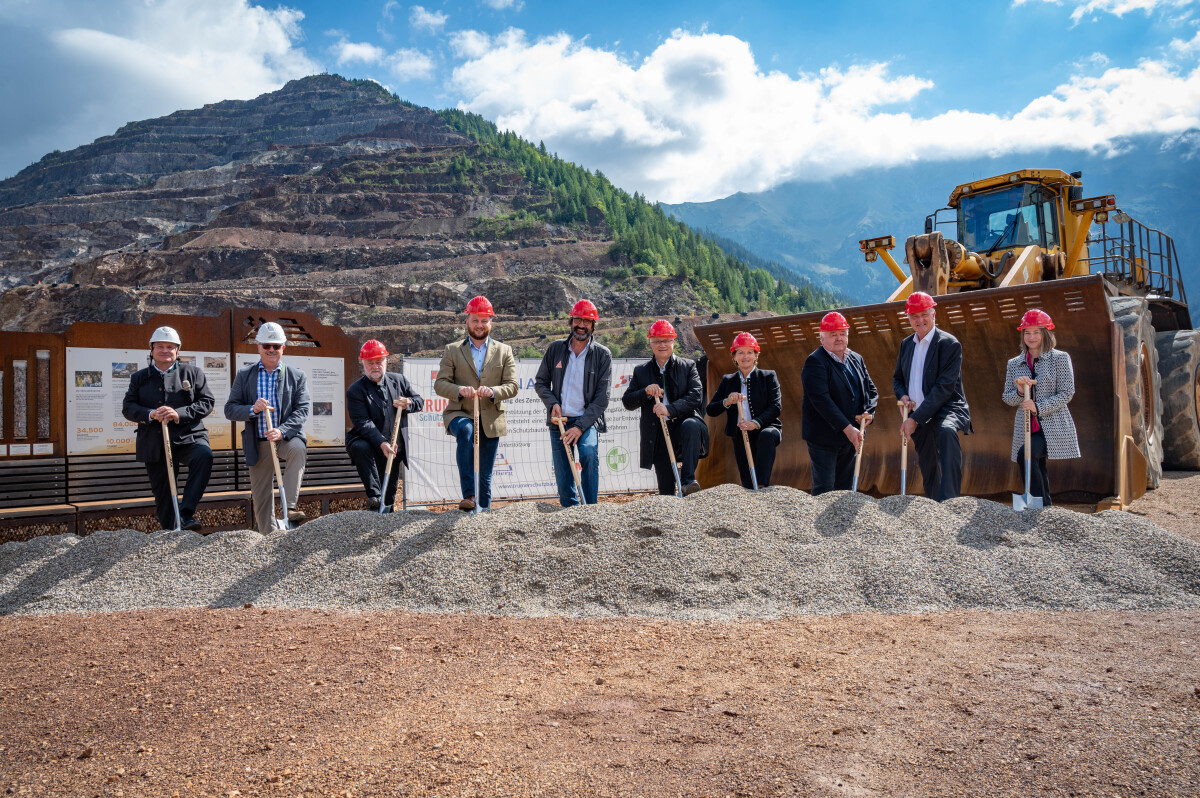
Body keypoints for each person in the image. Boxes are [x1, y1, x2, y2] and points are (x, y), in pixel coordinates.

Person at [121, 325, 215, 531]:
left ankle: (186, 513)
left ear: (177, 351)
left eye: (170, 347)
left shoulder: (193, 373)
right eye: (160, 346)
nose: (165, 350)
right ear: (152, 350)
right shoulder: (139, 378)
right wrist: (150, 414)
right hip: (154, 441)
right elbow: (128, 408)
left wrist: (178, 413)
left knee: (204, 456)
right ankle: (171, 532)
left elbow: (206, 402)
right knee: (163, 492)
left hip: (189, 437)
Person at [434, 296, 519, 511]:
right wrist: (459, 390)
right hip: (460, 413)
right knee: (466, 431)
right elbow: (440, 384)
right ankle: (469, 496)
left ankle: (484, 513)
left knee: (485, 474)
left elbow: (512, 386)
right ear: (467, 322)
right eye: (475, 320)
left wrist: (493, 391)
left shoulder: (504, 351)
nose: (479, 325)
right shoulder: (452, 350)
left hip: (490, 418)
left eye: (484, 320)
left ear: (491, 322)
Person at [224, 321, 310, 533]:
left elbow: (302, 410)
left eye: (276, 346)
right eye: (267, 345)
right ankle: (268, 538)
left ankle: (290, 507)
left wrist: (282, 430)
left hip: (285, 438)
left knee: (298, 449)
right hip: (258, 442)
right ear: (258, 347)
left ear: (283, 348)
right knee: (262, 497)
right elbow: (230, 409)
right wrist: (252, 409)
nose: (271, 350)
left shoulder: (296, 376)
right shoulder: (245, 375)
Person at [892, 292, 972, 501]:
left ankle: (950, 500)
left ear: (933, 314)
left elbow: (944, 388)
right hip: (918, 410)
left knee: (947, 431)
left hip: (947, 408)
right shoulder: (906, 344)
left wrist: (914, 420)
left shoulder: (949, 344)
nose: (920, 320)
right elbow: (898, 379)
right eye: (914, 316)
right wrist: (903, 395)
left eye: (924, 314)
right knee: (928, 464)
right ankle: (934, 506)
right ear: (909, 318)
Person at [534, 299, 613, 506]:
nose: (581, 325)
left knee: (589, 453)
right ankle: (570, 511)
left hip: (586, 422)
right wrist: (552, 404)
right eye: (578, 319)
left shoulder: (602, 355)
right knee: (563, 472)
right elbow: (541, 382)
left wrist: (579, 427)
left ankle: (589, 509)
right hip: (559, 422)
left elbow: (602, 398)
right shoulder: (555, 349)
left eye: (587, 321)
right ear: (571, 321)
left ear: (593, 325)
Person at [1002, 309, 1080, 506]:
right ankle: (1044, 505)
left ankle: (1038, 504)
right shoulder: (1014, 364)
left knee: (1026, 455)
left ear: (1046, 333)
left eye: (1036, 332)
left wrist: (1038, 407)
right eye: (1027, 332)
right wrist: (1020, 392)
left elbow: (1067, 392)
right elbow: (1007, 398)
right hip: (1026, 426)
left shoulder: (1060, 358)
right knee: (1034, 460)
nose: (1032, 337)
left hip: (1052, 425)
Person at [622, 319, 708, 496]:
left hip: (683, 425)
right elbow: (628, 402)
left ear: (673, 342)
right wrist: (645, 391)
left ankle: (688, 481)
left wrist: (670, 409)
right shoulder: (641, 371)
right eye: (657, 341)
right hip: (658, 433)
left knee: (691, 425)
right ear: (651, 343)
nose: (662, 345)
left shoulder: (688, 366)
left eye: (666, 340)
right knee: (666, 491)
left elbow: (696, 396)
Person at [800, 312, 879, 495]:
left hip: (850, 436)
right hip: (824, 437)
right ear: (822, 338)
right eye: (833, 334)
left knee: (844, 490)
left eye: (842, 333)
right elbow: (821, 400)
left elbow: (871, 390)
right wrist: (847, 428)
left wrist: (869, 412)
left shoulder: (856, 358)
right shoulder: (815, 361)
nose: (839, 338)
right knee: (825, 489)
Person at [346, 339, 424, 511]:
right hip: (370, 444)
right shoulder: (356, 390)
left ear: (386, 361)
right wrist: (382, 443)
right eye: (370, 363)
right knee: (360, 448)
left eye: (379, 361)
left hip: (394, 446)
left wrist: (409, 402)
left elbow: (419, 401)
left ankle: (385, 515)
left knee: (388, 498)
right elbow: (363, 422)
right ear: (363, 364)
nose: (375, 366)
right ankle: (374, 496)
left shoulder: (399, 380)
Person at [705, 332, 782, 488]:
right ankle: (752, 494)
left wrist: (755, 423)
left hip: (766, 428)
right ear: (734, 357)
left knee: (767, 436)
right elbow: (711, 410)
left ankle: (762, 485)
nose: (745, 356)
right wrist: (727, 401)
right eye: (740, 352)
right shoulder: (728, 380)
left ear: (756, 355)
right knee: (747, 481)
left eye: (749, 352)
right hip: (740, 434)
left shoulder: (768, 376)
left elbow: (776, 406)